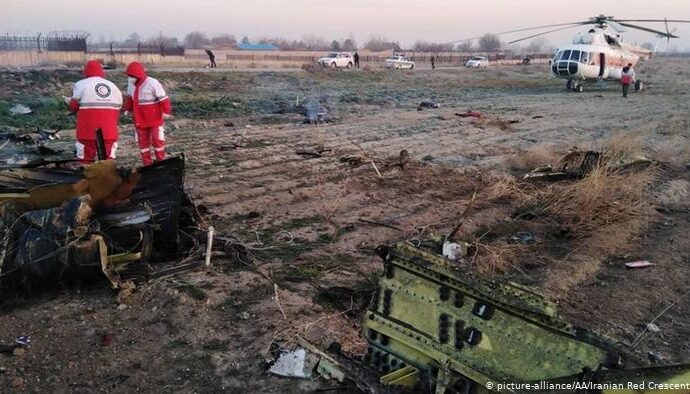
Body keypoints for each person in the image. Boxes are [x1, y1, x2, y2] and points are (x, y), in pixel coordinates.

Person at [66, 60, 123, 163]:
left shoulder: (80, 84)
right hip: (109, 131)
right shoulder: (113, 86)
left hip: (87, 131)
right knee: (107, 161)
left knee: (86, 160)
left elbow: (73, 106)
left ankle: (89, 177)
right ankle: (108, 178)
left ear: (86, 71)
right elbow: (119, 106)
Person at [123, 62, 172, 166]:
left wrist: (166, 111)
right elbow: (129, 98)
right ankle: (147, 163)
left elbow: (163, 98)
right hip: (139, 118)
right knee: (142, 142)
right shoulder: (131, 84)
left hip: (154, 118)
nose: (130, 78)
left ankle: (160, 160)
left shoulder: (152, 83)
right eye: (129, 75)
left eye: (132, 76)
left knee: (157, 140)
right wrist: (127, 108)